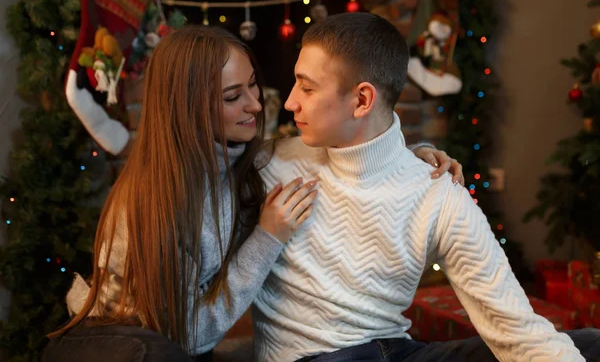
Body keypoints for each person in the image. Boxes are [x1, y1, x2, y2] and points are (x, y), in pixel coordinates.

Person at [44, 24, 463, 358]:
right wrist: (268, 237)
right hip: (125, 346)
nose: (256, 105)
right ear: (189, 107)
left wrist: (410, 157)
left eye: (252, 86)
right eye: (232, 96)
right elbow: (190, 338)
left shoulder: (243, 159)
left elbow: (331, 152)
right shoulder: (154, 203)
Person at [252, 12, 600, 362]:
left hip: (400, 351)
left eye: (307, 87)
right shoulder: (267, 163)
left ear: (362, 101)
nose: (290, 102)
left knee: (589, 343)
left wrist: (407, 158)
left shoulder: (436, 189)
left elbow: (514, 327)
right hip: (318, 357)